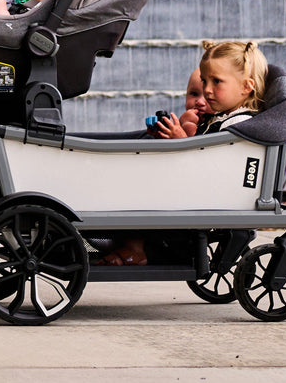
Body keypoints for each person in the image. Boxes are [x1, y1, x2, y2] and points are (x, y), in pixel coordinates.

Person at [99, 40, 267, 266]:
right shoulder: (218, 118)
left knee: (141, 186)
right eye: (205, 81)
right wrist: (172, 137)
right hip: (199, 190)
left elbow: (214, 168)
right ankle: (121, 240)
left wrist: (181, 141)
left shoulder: (239, 125)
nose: (207, 90)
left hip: (212, 197)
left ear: (246, 87)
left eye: (216, 82)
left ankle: (136, 249)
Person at [145, 66, 211, 139]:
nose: (200, 102)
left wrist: (185, 130)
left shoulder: (218, 129)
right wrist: (163, 135)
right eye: (194, 94)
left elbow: (199, 146)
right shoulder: (183, 120)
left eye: (208, 96)